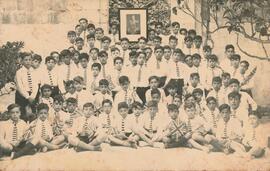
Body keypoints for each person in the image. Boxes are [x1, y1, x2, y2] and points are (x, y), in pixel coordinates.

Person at [15, 52, 39, 122]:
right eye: (26, 60)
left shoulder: (34, 71)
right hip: (22, 96)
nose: (28, 62)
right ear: (22, 61)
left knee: (33, 114)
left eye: (29, 59)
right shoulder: (19, 72)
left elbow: (36, 85)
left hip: (33, 95)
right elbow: (20, 86)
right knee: (22, 114)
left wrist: (33, 96)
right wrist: (27, 97)